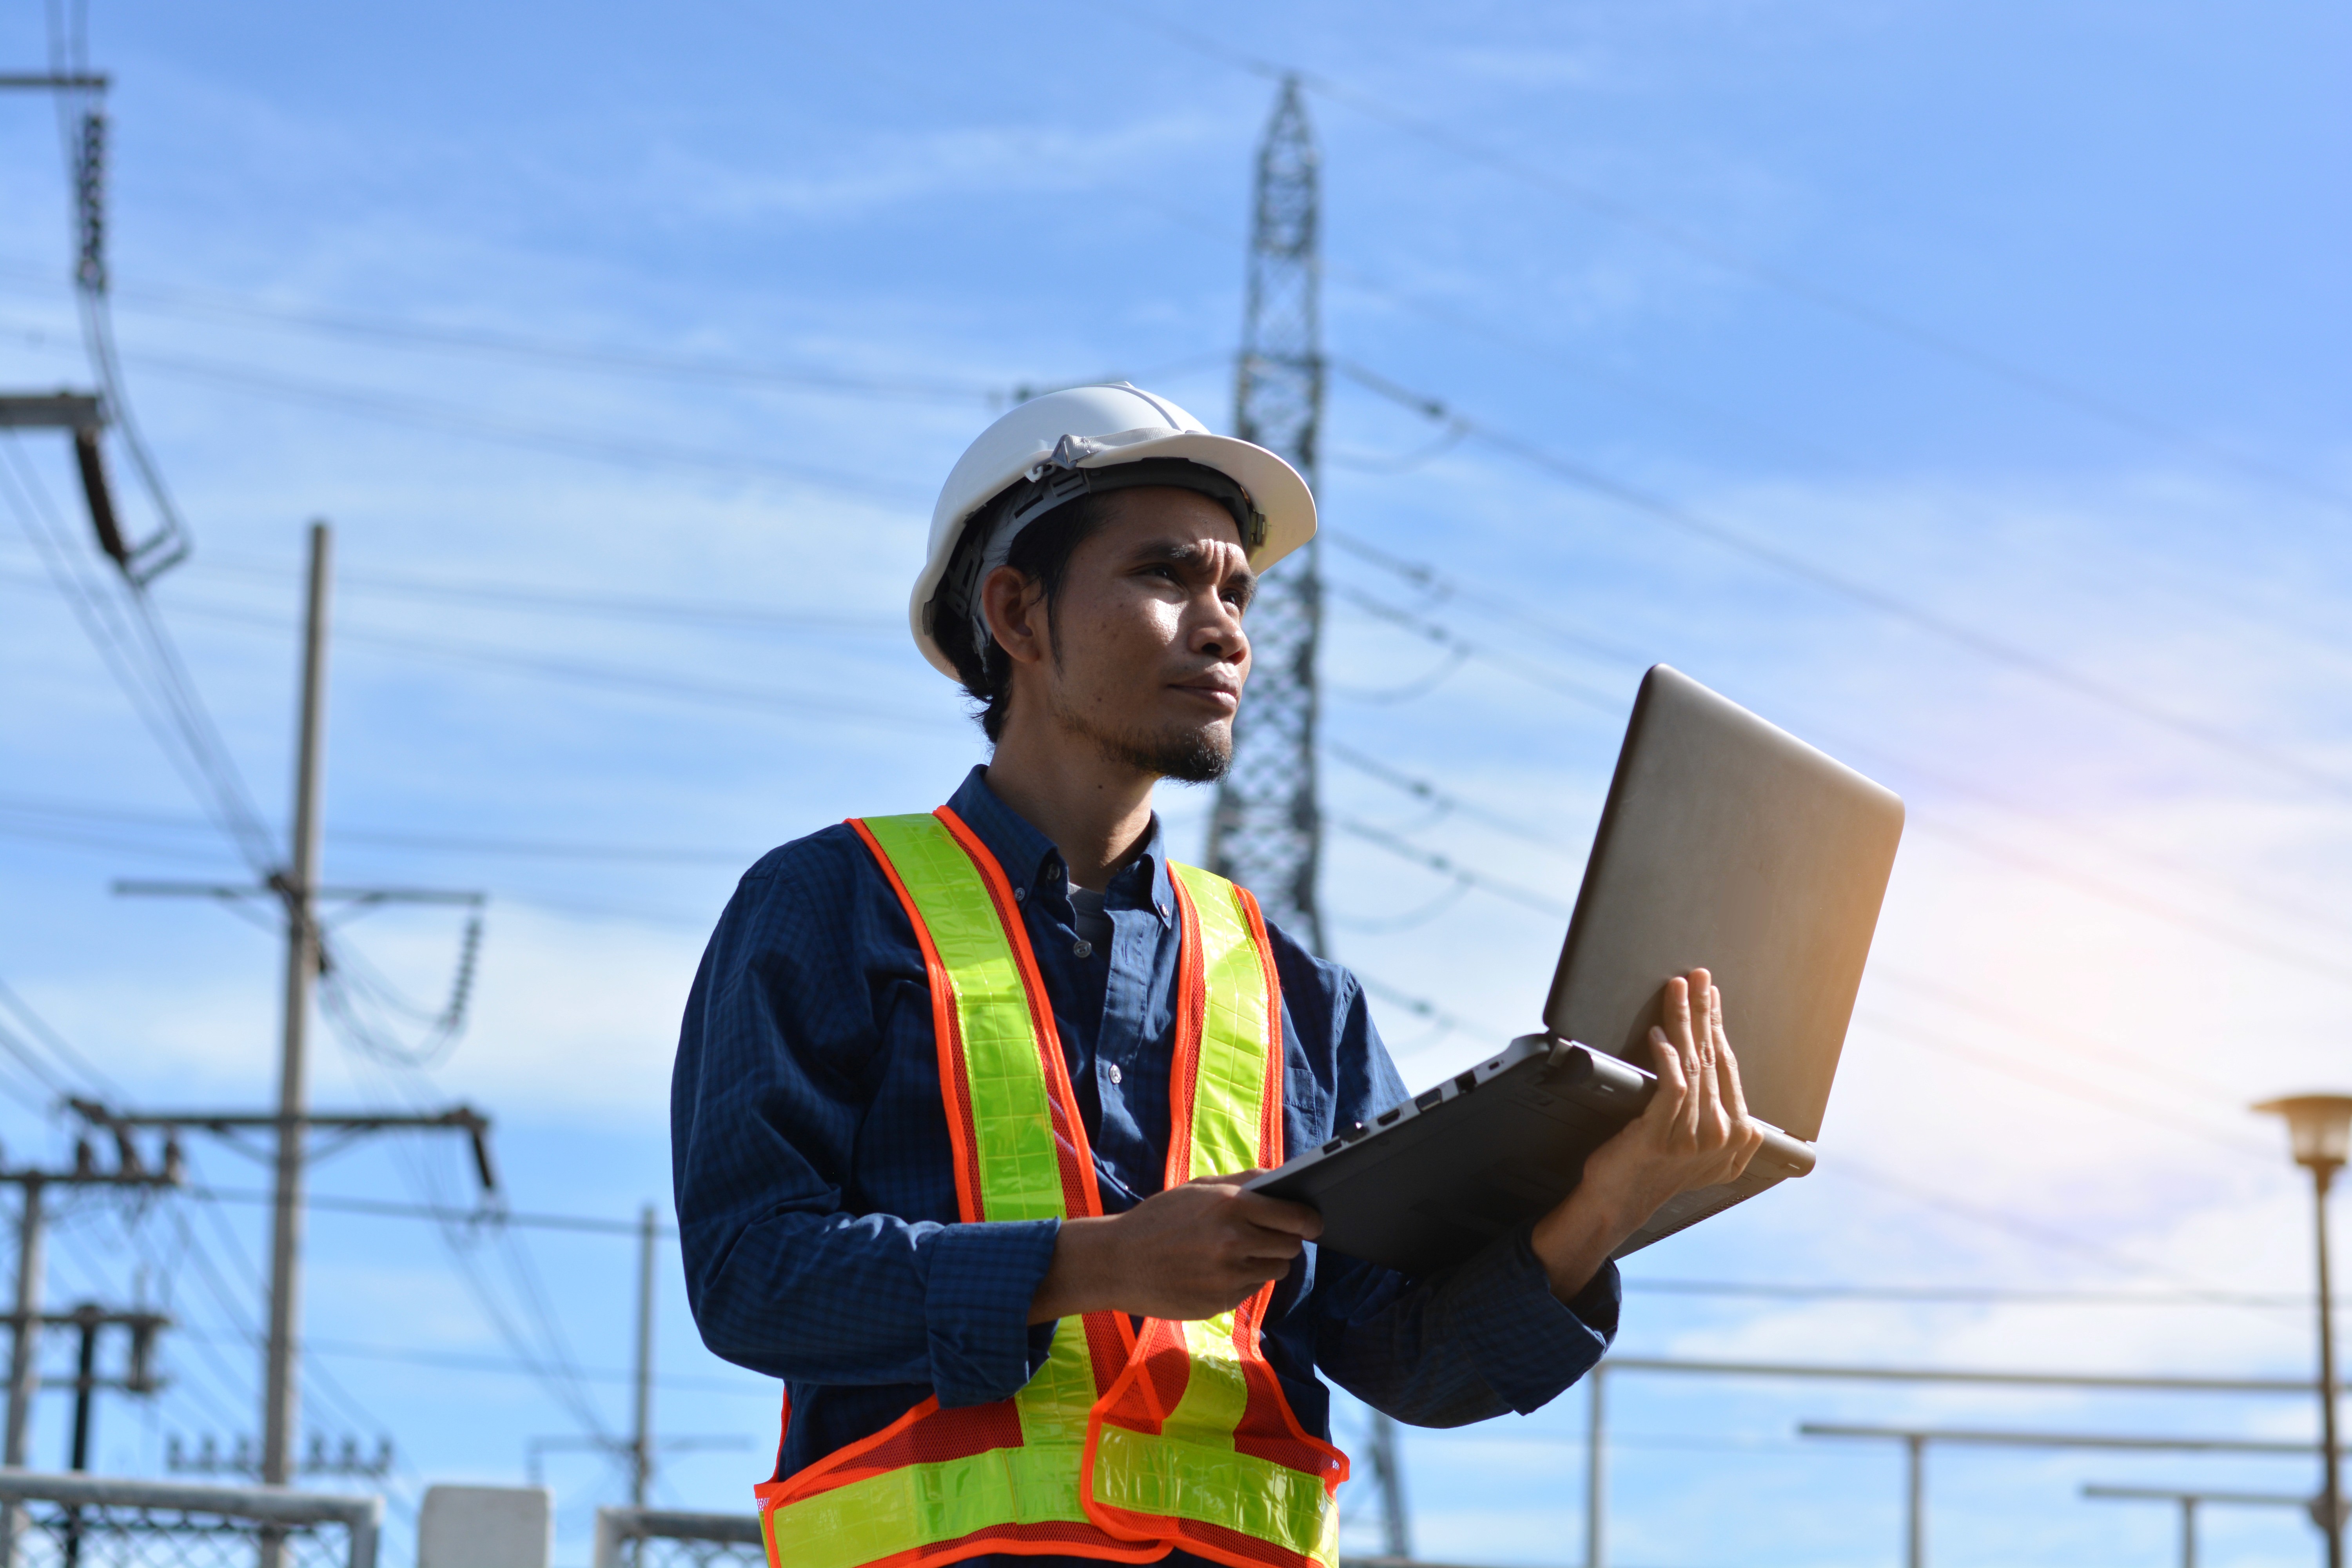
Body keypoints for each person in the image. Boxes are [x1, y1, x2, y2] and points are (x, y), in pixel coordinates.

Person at [671, 383, 1764, 1568]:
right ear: (1016, 613)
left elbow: (1407, 1353)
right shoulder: (831, 906)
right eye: (1168, 576)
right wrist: (1102, 1265)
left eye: (1238, 589)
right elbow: (751, 1278)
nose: (1225, 627)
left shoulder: (1297, 994)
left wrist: (1611, 1203)